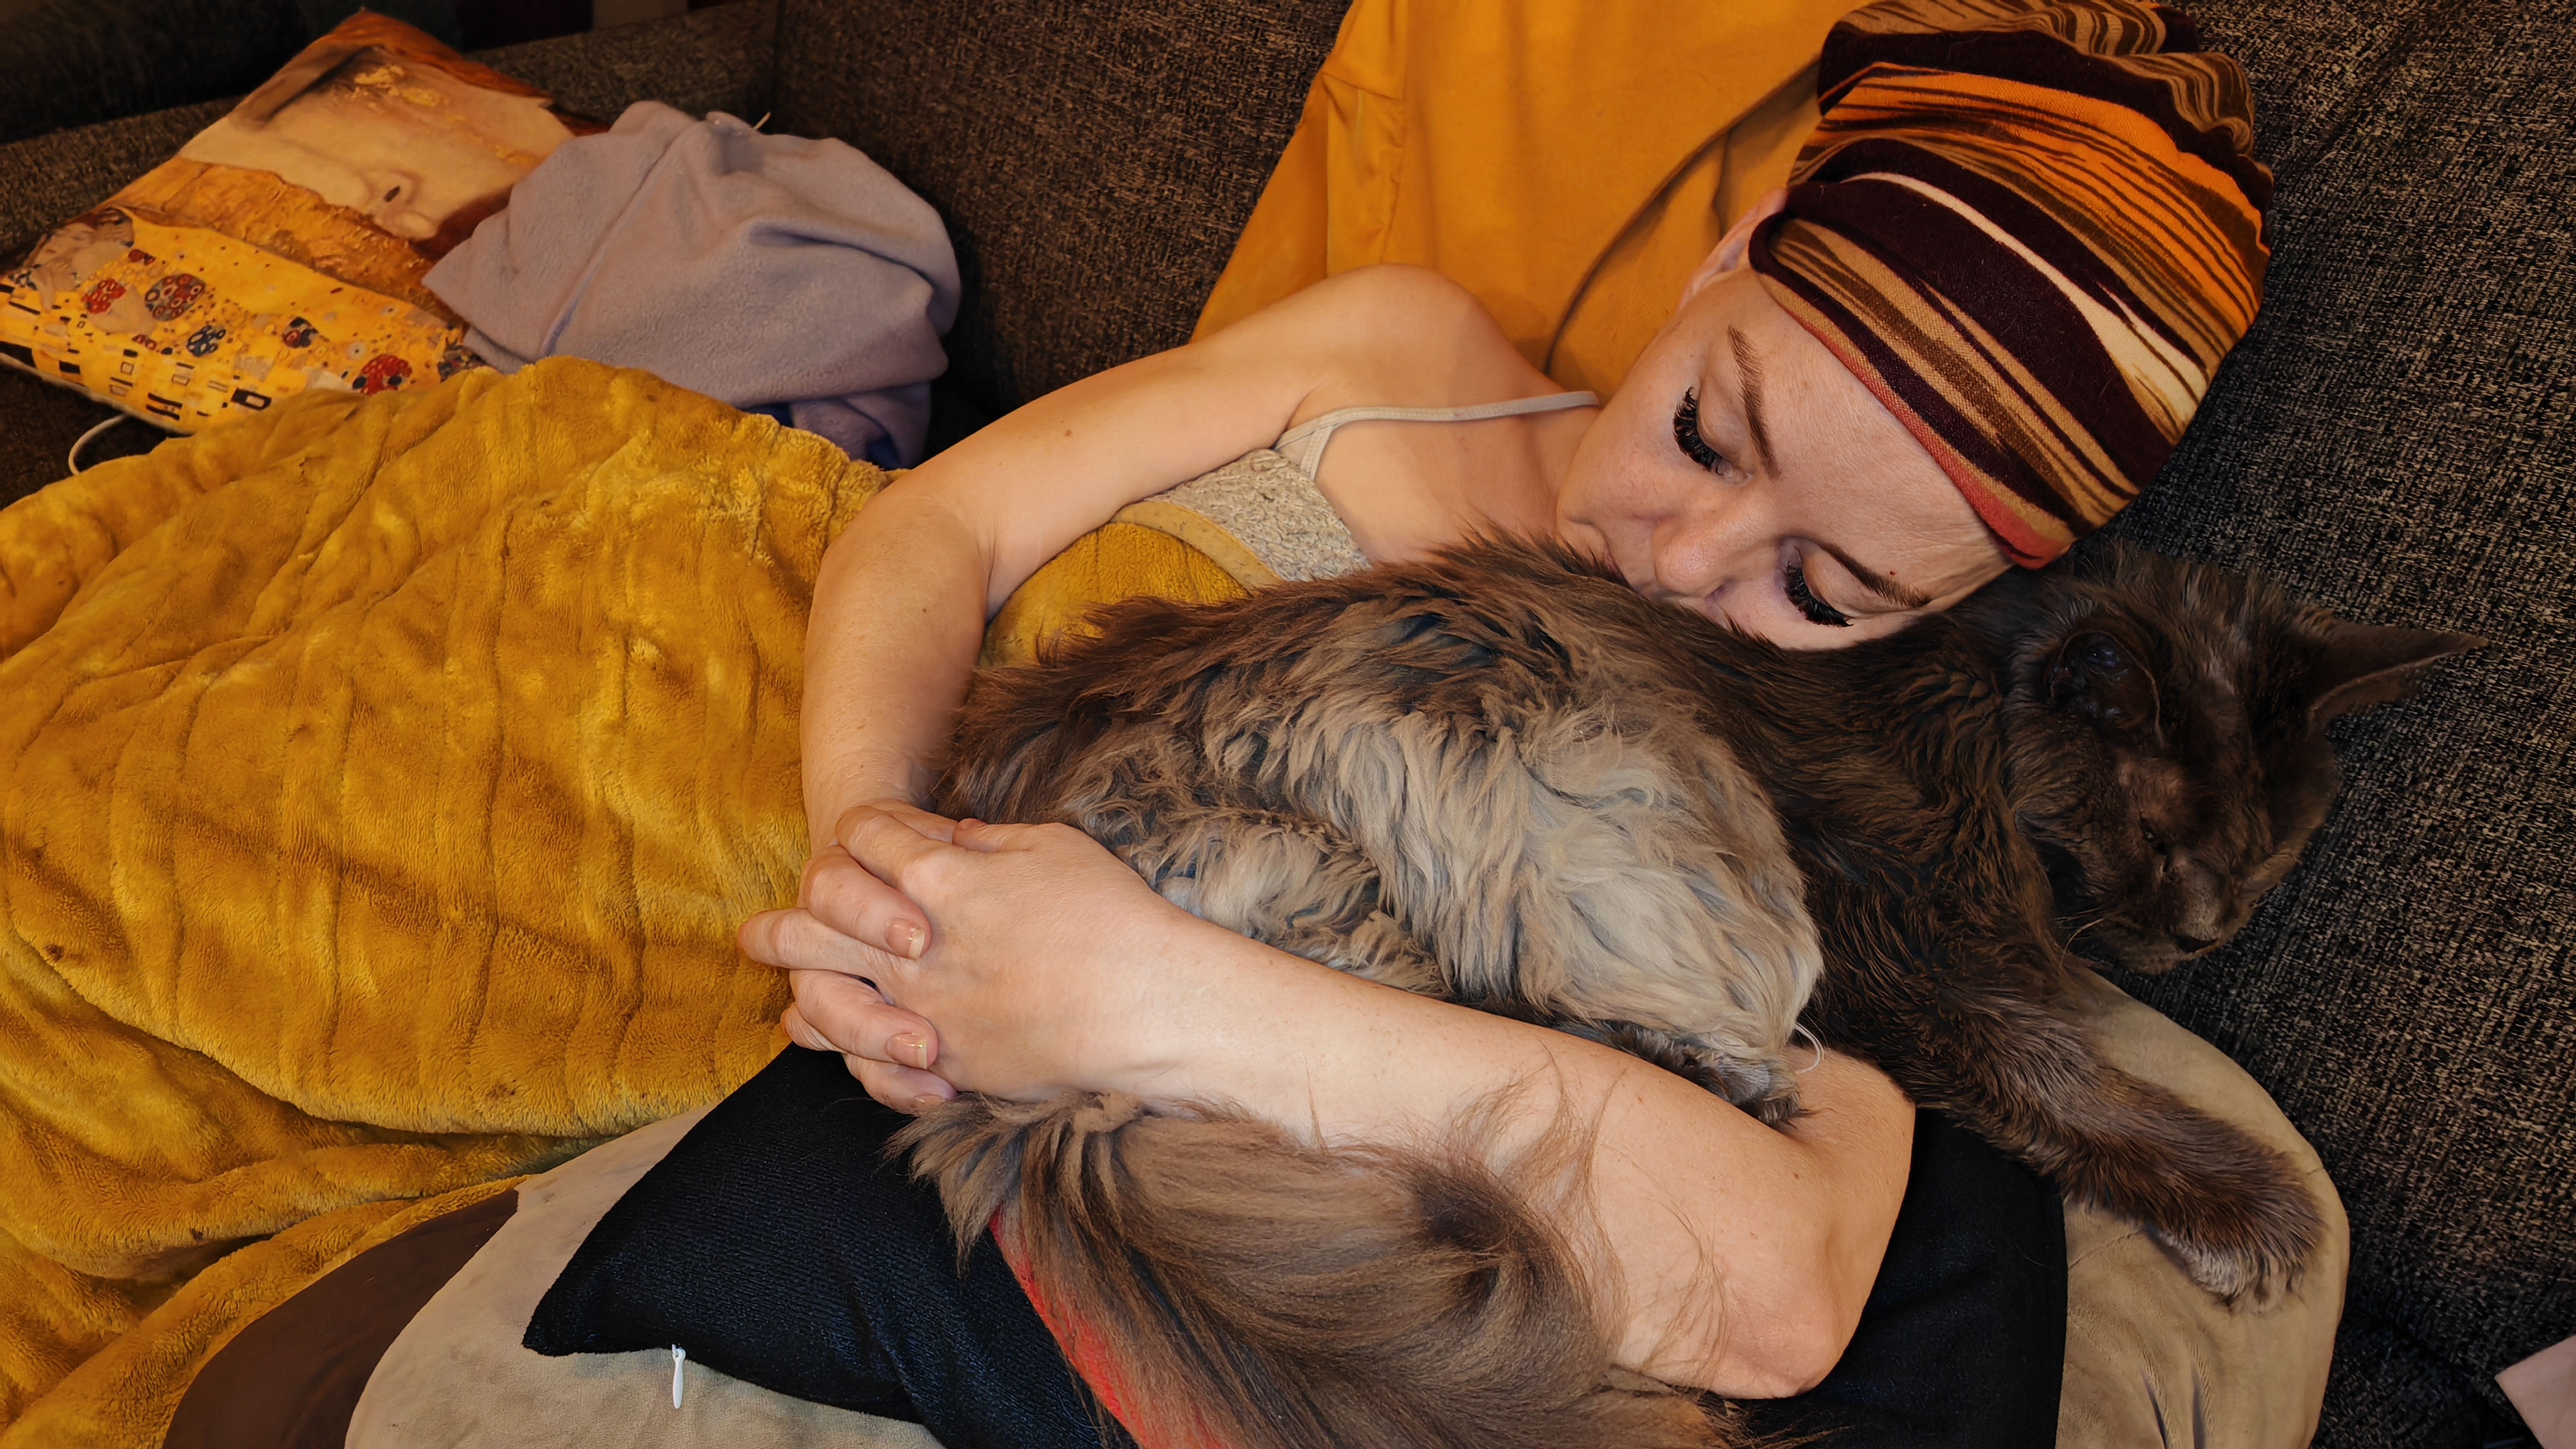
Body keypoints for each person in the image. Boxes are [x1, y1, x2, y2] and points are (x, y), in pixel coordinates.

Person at [741, 0, 2290, 1414]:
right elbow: (931, 528)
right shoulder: (1397, 355)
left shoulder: (1817, 780)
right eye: (1702, 431)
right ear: (1726, 256)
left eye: (1822, 591)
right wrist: (873, 869)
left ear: (1945, 614)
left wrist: (1142, 998)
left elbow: (1773, 1290)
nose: (1683, 566)